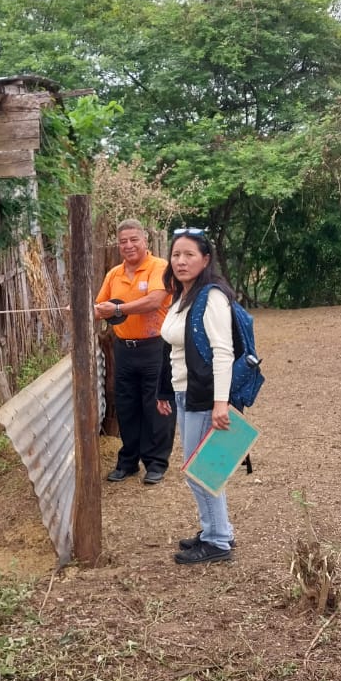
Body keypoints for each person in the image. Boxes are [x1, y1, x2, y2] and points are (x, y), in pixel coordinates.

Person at [156, 227, 237, 564]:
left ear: (205, 260)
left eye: (189, 255)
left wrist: (220, 403)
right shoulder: (182, 296)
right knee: (202, 469)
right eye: (176, 254)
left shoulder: (212, 296)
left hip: (203, 396)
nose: (181, 261)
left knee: (202, 471)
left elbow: (223, 352)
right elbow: (171, 349)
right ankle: (216, 530)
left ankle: (217, 541)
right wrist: (165, 390)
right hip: (183, 391)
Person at [94, 218, 175, 485]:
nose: (128, 245)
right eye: (123, 242)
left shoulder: (159, 267)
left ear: (145, 240)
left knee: (157, 405)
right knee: (126, 405)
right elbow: (99, 307)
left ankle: (156, 463)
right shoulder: (114, 274)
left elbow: (153, 301)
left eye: (133, 240)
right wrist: (82, 310)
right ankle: (128, 462)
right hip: (124, 349)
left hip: (156, 347)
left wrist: (117, 309)